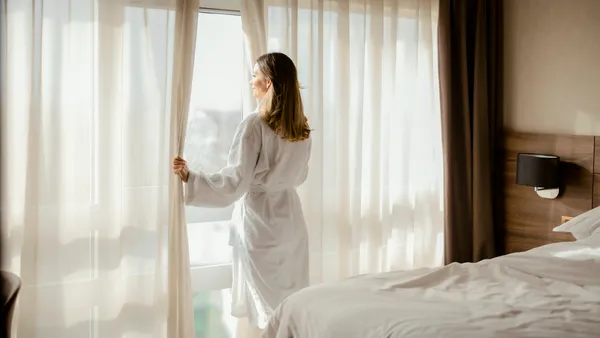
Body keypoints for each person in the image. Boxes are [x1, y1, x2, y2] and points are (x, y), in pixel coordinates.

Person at [172, 52, 312, 332]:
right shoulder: (302, 128)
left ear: (268, 83)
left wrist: (191, 178)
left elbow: (235, 182)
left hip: (262, 226)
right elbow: (301, 175)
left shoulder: (254, 125)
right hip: (292, 224)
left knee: (271, 314)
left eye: (255, 76)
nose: (251, 82)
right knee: (291, 310)